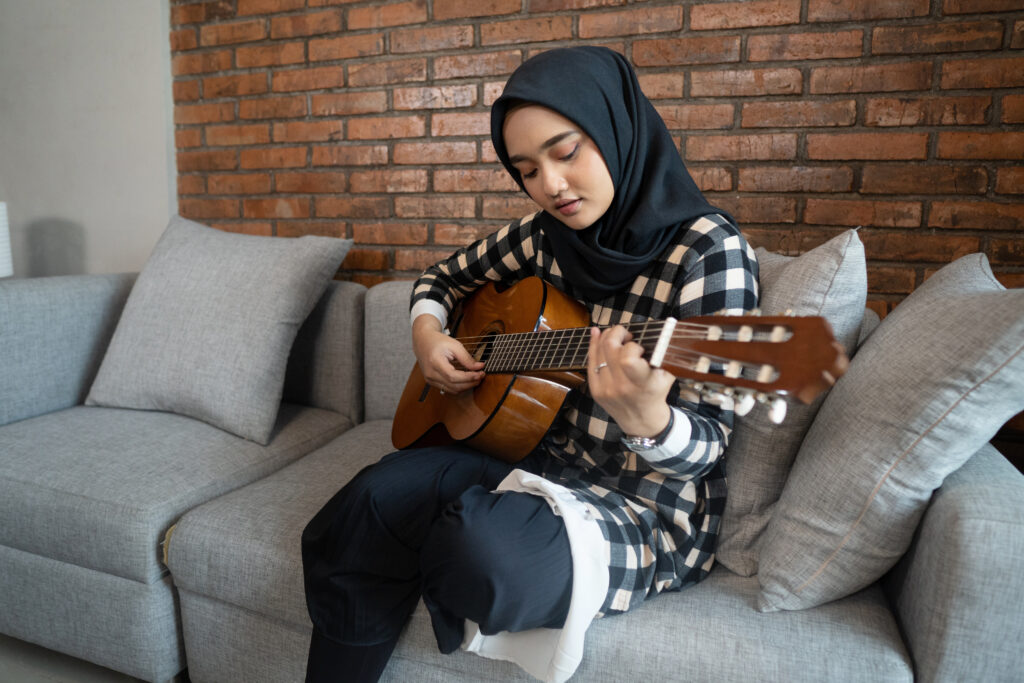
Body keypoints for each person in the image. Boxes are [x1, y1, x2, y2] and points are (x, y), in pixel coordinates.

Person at [302, 45, 759, 683]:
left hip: (642, 506)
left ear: (615, 127)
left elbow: (705, 449)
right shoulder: (542, 235)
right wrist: (429, 338)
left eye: (565, 151)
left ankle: (437, 547)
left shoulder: (710, 253)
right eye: (526, 170)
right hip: (533, 456)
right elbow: (441, 279)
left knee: (482, 558)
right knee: (368, 499)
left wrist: (650, 419)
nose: (551, 185)